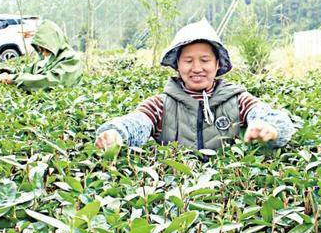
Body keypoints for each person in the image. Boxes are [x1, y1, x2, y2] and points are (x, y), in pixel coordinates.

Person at [95, 19, 295, 150]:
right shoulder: (160, 105)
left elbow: (273, 118)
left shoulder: (238, 100)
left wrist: (269, 128)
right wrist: (115, 134)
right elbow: (136, 123)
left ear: (217, 64)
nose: (197, 68)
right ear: (177, 65)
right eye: (188, 61)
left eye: (205, 60)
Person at [0, 20, 84, 91]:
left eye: (46, 49)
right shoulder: (46, 58)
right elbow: (28, 69)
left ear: (53, 45)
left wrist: (14, 79)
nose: (43, 53)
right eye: (41, 49)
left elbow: (50, 81)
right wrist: (7, 72)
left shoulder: (71, 59)